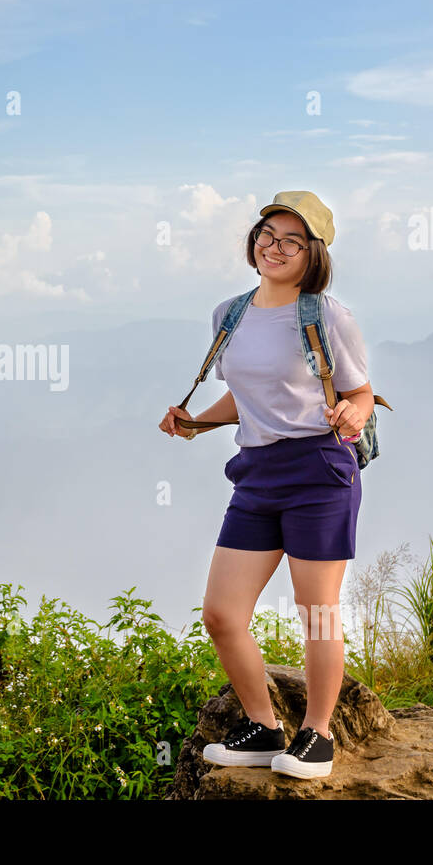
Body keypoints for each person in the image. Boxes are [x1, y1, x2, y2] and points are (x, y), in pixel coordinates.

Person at [157, 190, 374, 781]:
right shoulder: (229, 313)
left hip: (319, 470)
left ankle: (318, 736)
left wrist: (354, 415)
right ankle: (263, 726)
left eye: (292, 241)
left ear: (314, 255)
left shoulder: (327, 316)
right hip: (256, 474)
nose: (274, 248)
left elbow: (358, 393)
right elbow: (245, 396)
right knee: (222, 614)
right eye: (267, 236)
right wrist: (198, 420)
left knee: (318, 613)